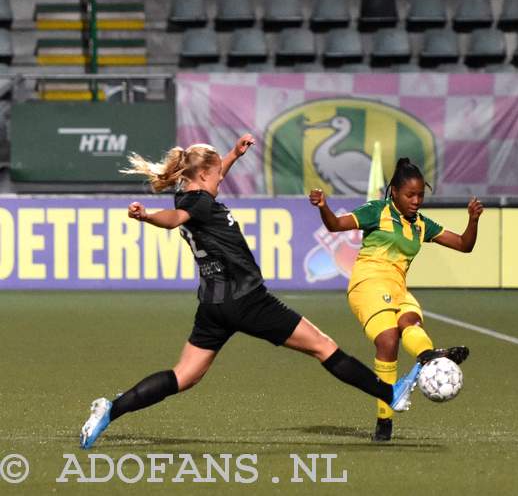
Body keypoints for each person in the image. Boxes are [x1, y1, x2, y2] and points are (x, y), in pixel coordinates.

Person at [79, 135, 421, 450]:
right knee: (323, 346)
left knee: (183, 376)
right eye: (216, 176)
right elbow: (174, 218)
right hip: (247, 299)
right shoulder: (196, 203)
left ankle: (111, 409)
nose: (220, 180)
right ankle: (388, 393)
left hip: (214, 305)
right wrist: (148, 217)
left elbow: (202, 185)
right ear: (202, 177)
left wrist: (231, 156)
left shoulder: (188, 190)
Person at [309, 158, 483, 441]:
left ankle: (428, 357)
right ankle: (385, 420)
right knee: (388, 339)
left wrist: (473, 219)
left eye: (420, 196)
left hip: (398, 287)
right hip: (368, 282)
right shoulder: (377, 211)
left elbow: (464, 245)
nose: (416, 201)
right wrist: (323, 207)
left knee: (411, 322)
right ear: (394, 193)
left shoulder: (421, 225)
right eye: (410, 195)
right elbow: (336, 225)